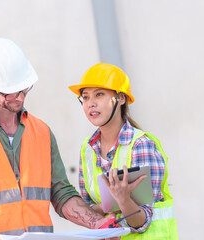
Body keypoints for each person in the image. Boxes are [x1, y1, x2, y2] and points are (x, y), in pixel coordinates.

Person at [0, 38, 115, 240]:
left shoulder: (42, 131)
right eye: (9, 93)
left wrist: (99, 224)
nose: (19, 97)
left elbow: (61, 193)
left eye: (23, 88)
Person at [68, 63, 178, 239]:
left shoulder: (141, 145)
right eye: (86, 97)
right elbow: (91, 209)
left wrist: (123, 201)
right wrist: (103, 211)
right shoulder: (87, 150)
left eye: (99, 94)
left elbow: (142, 221)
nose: (91, 104)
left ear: (121, 98)